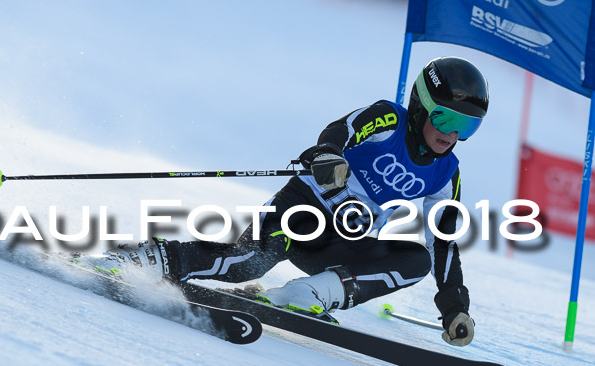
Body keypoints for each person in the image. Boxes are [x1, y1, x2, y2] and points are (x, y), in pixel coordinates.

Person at [84, 56, 488, 347]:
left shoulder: (446, 173)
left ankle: (307, 295)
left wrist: (453, 307)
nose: (451, 135)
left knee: (414, 259)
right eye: (446, 119)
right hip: (305, 208)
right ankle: (148, 260)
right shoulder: (388, 119)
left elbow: (443, 243)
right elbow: (337, 133)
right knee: (249, 262)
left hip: (343, 240)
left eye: (466, 126)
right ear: (421, 107)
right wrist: (329, 159)